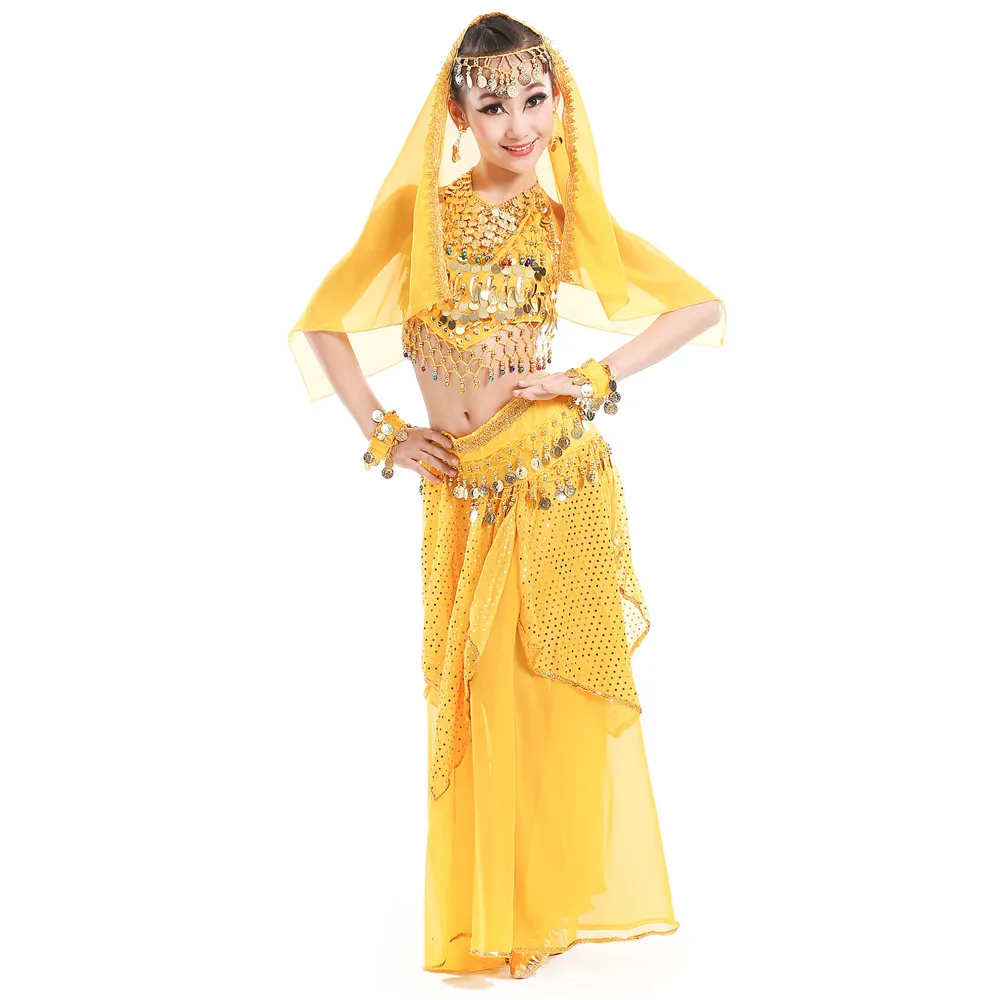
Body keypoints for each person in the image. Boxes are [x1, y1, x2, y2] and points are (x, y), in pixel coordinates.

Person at [286, 12, 725, 979]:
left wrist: (593, 377)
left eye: (535, 100)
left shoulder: (562, 227)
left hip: (555, 483)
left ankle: (539, 908)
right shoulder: (418, 219)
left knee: (535, 692)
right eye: (494, 107)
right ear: (458, 115)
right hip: (461, 491)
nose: (520, 126)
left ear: (558, 104)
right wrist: (382, 432)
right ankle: (495, 911)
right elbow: (322, 322)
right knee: (474, 696)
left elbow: (699, 306)